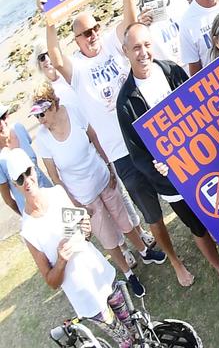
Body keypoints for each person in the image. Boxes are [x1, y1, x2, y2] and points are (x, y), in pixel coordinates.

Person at [116, 22, 219, 299]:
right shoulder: (126, 101)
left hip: (201, 164)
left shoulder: (171, 70)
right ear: (125, 51)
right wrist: (157, 168)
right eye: (136, 47)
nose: (143, 53)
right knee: (198, 227)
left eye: (147, 45)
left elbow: (199, 109)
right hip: (171, 182)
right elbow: (137, 154)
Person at [41, 0, 150, 230]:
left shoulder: (114, 43)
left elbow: (131, 24)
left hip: (144, 132)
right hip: (118, 149)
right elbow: (55, 58)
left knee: (171, 187)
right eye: (85, 33)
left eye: (94, 29)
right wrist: (50, 19)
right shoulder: (76, 68)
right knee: (147, 207)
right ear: (76, 40)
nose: (92, 35)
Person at [30, 86, 160, 297]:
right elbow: (55, 177)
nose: (39, 119)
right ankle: (129, 275)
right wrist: (75, 204)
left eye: (41, 113)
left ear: (53, 105)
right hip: (83, 197)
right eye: (36, 115)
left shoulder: (72, 110)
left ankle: (145, 252)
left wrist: (109, 167)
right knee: (107, 237)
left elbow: (94, 138)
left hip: (102, 178)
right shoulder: (43, 138)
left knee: (124, 220)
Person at [10, 149, 120, 321]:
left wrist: (85, 227)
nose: (26, 181)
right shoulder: (29, 230)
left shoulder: (57, 194)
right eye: (19, 178)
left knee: (135, 327)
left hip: (100, 272)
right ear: (14, 184)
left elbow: (83, 235)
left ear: (34, 168)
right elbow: (52, 282)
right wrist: (61, 261)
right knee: (124, 342)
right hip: (84, 295)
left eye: (27, 172)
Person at [0, 103, 53, 214]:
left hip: (49, 193)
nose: (1, 124)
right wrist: (26, 215)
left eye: (3, 117)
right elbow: (8, 200)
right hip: (33, 211)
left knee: (71, 229)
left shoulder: (18, 128)